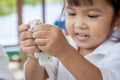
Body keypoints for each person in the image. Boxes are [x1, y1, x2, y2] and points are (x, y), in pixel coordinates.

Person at [19, 0, 120, 80]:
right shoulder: (65, 43)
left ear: (117, 18)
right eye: (71, 13)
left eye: (92, 15)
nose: (79, 24)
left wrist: (64, 52)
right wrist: (35, 56)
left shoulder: (116, 51)